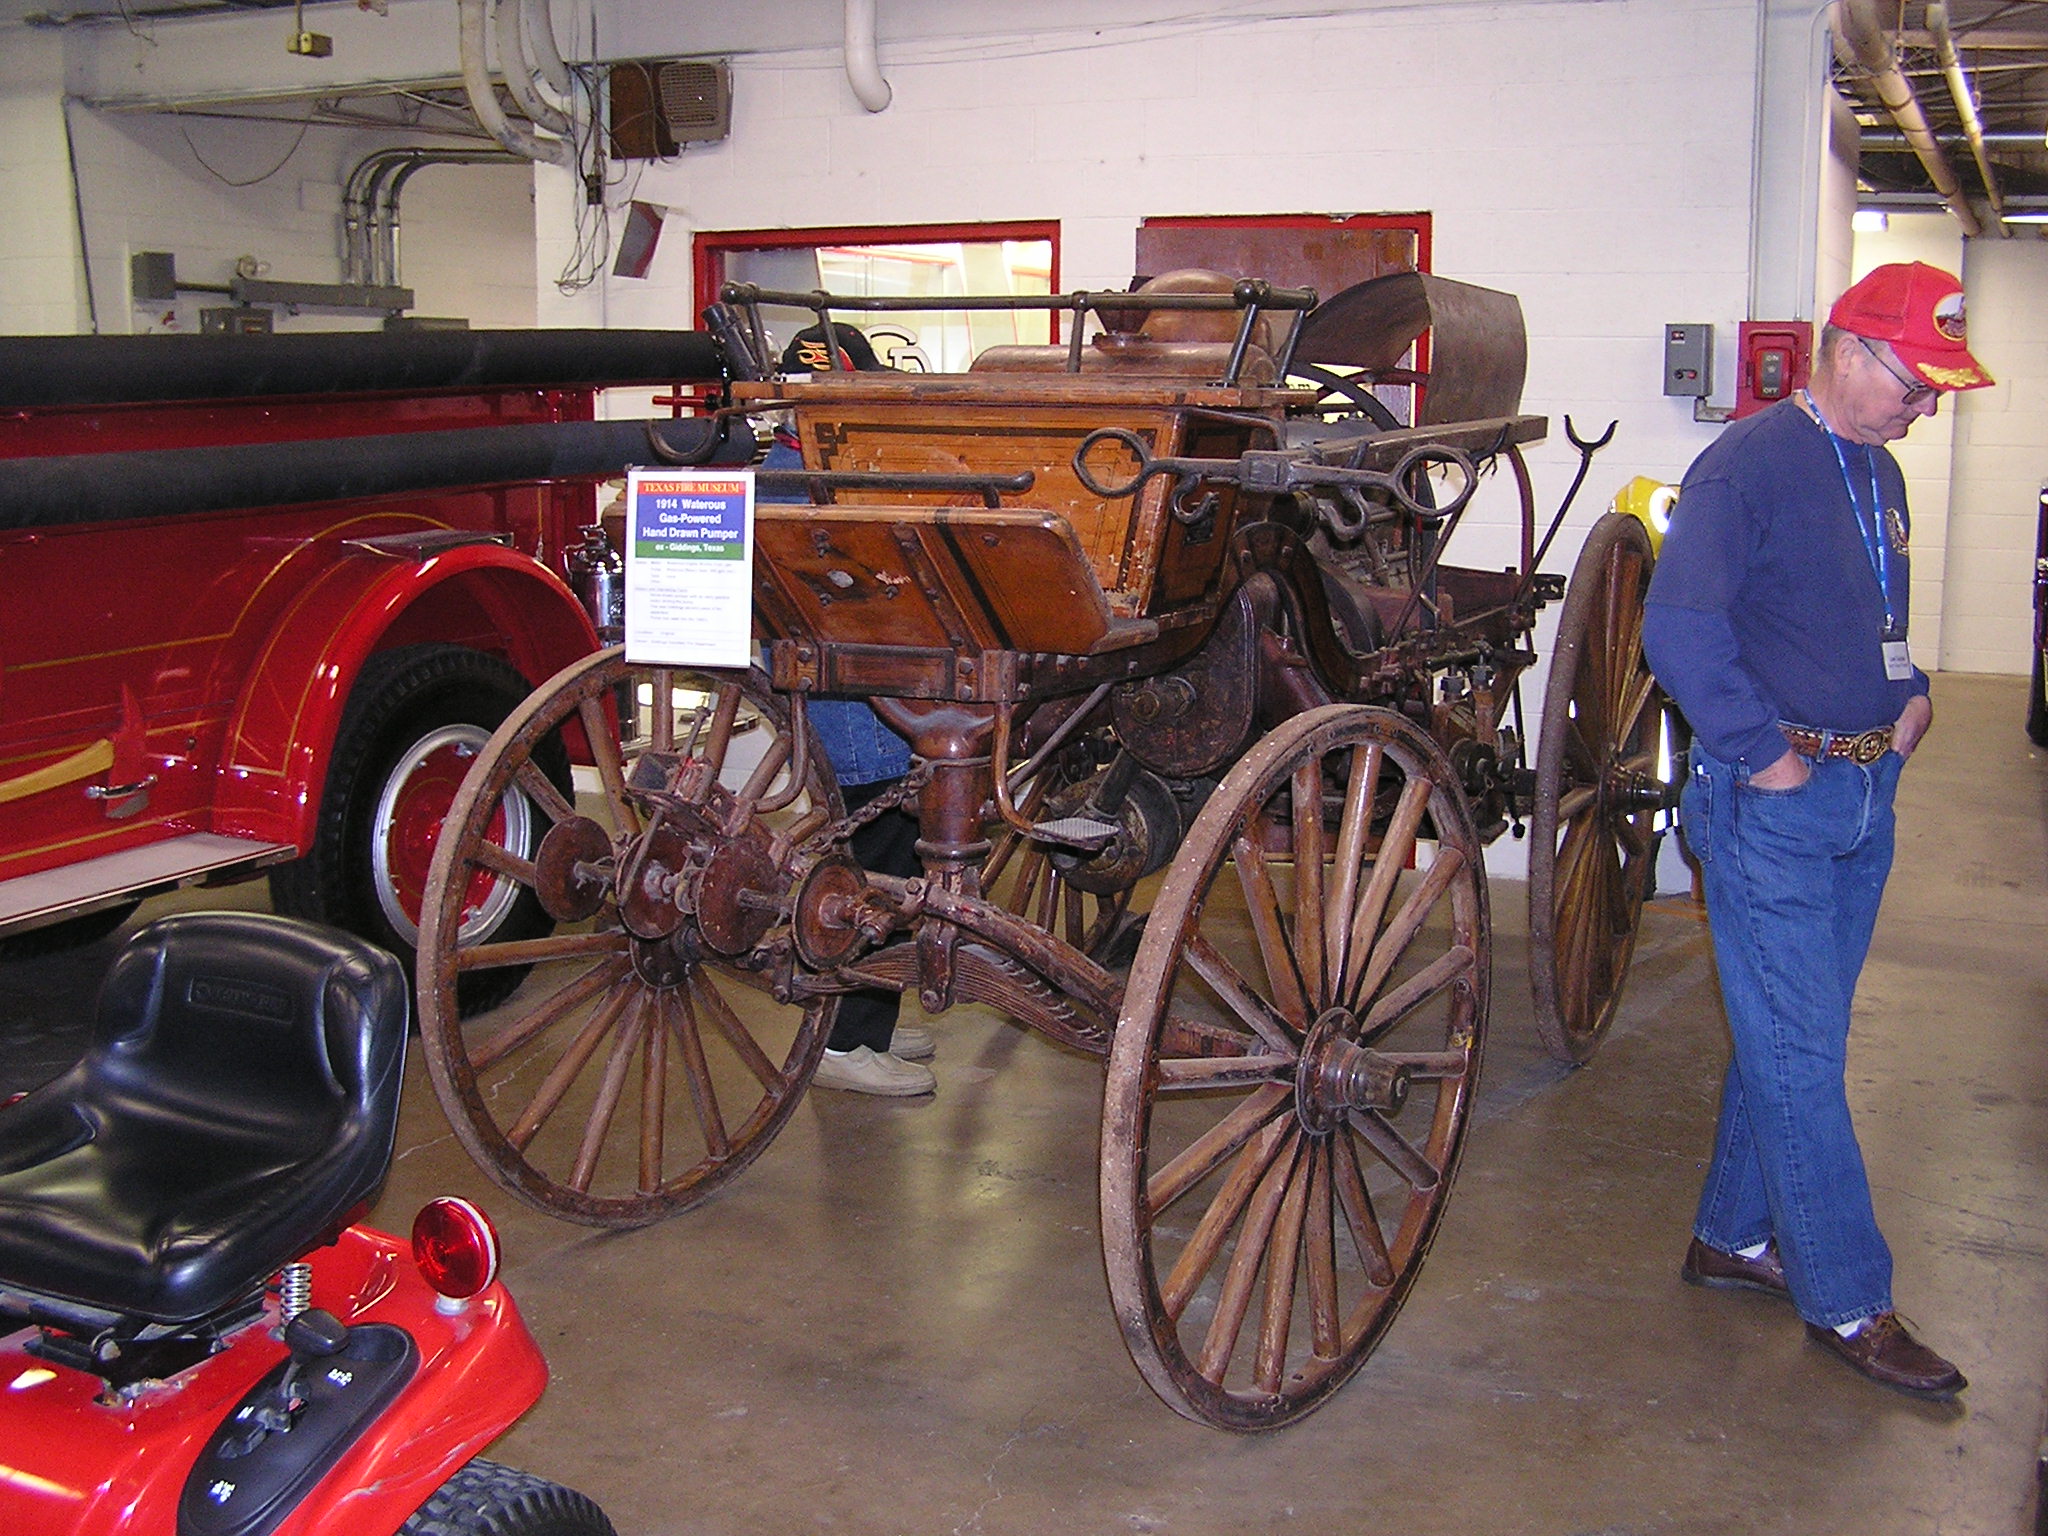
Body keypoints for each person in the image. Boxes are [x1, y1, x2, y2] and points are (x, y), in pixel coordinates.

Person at [1642, 261, 1991, 1400]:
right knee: (1800, 1053)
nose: (1925, 405)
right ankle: (1847, 1295)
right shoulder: (1744, 465)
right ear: (1847, 352)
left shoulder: (1874, 468)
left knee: (1797, 1032)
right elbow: (1679, 628)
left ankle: (1729, 1236)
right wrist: (1767, 759)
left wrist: (1911, 692)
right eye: (1914, 381)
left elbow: (1866, 616)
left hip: (1861, 791)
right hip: (1773, 805)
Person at [762, 322, 935, 1097]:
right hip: (865, 713)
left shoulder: (773, 471)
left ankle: (875, 1017)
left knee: (878, 861)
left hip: (835, 704)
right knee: (878, 870)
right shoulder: (846, 480)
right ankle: (847, 1041)